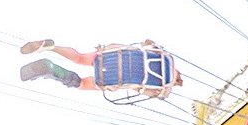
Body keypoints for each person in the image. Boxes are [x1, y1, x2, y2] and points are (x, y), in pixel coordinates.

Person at [18, 39, 181, 98]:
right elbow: (144, 91)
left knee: (79, 58)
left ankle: (51, 48)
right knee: (81, 84)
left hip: (111, 55)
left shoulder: (164, 57)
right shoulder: (163, 86)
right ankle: (53, 70)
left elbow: (146, 41)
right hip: (113, 77)